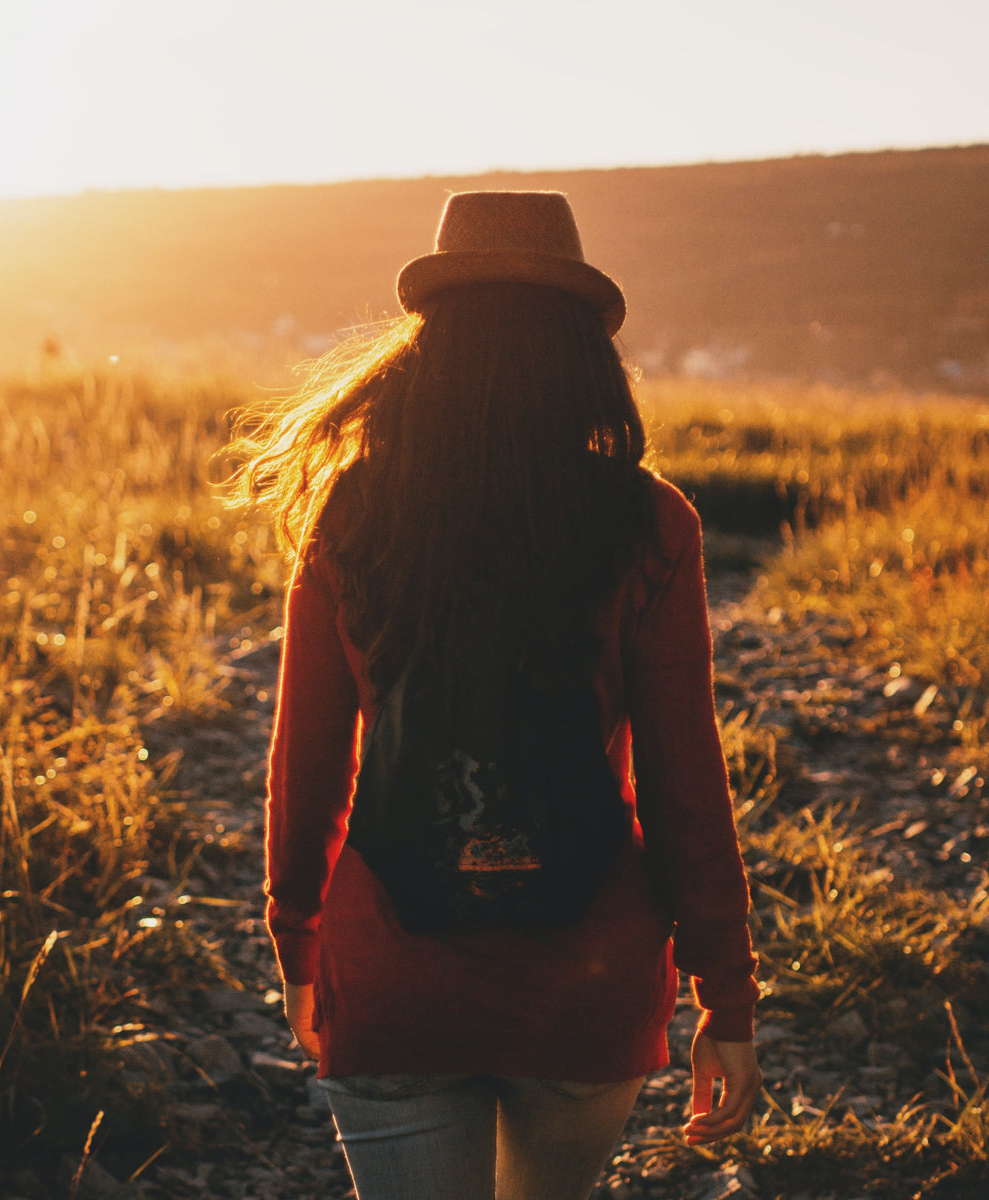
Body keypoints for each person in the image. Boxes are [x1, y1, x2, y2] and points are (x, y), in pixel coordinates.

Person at [229, 190, 760, 1200]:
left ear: (430, 347)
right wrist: (723, 1000)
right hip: (585, 990)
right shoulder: (649, 523)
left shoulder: (352, 510)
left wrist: (299, 940)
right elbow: (687, 784)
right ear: (581, 353)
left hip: (390, 972)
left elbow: (305, 762)